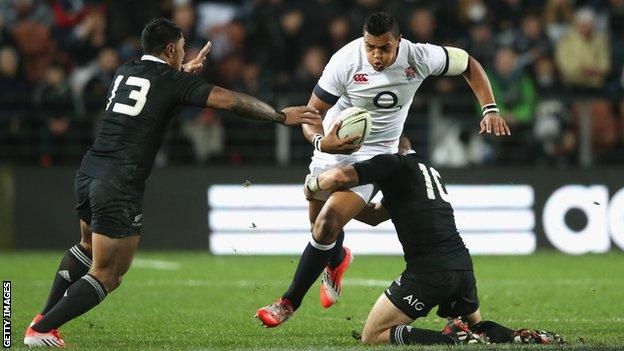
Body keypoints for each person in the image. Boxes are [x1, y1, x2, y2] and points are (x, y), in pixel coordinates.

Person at [24, 18, 320, 347]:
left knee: (86, 247)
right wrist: (280, 116)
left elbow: (156, 89)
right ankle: (42, 329)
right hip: (120, 181)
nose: (183, 52)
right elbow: (232, 100)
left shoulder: (126, 69)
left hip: (90, 169)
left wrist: (180, 74)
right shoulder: (173, 81)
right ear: (169, 49)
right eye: (181, 47)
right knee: (109, 274)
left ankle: (42, 317)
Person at [256, 11, 510, 327]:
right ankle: (336, 260)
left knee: (327, 222)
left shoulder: (419, 56)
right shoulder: (345, 60)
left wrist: (489, 108)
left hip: (377, 153)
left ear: (398, 43)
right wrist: (322, 143)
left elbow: (468, 63)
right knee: (320, 230)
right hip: (335, 143)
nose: (376, 55)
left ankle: (287, 302)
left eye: (384, 48)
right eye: (371, 47)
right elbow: (311, 113)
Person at [302, 136, 564, 346]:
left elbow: (336, 177)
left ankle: (448, 340)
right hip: (461, 264)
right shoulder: (427, 170)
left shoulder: (391, 162)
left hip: (429, 271)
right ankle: (516, 336)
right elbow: (374, 217)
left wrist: (313, 185)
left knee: (373, 335)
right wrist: (338, 209)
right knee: (475, 328)